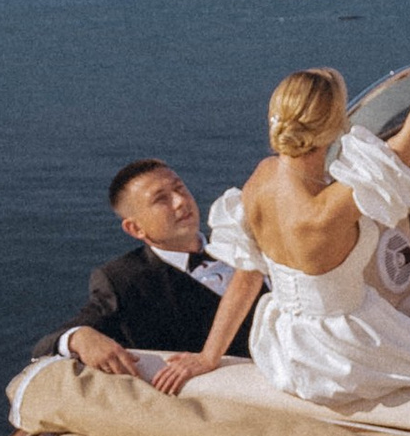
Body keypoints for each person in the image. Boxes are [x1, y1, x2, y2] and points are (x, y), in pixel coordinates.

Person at [149, 0, 410, 407]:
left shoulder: (261, 179)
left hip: (288, 347)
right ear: (337, 127)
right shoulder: (331, 207)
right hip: (343, 353)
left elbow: (248, 275)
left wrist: (208, 355)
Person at [35, 161, 257, 379]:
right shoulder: (124, 280)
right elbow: (45, 346)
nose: (180, 202)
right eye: (161, 199)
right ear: (135, 228)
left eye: (179, 188)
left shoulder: (241, 246)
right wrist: (79, 337)